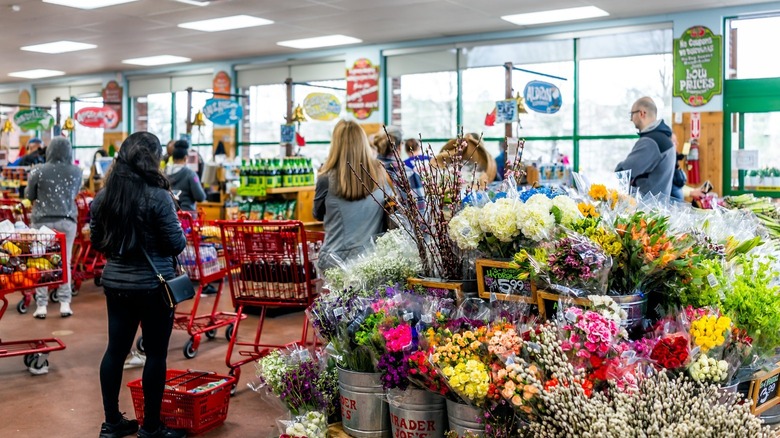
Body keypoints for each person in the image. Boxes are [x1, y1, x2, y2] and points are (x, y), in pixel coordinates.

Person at [91, 132, 187, 438]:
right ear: (154, 159)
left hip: (115, 284)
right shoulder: (158, 196)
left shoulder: (104, 197)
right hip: (153, 287)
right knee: (156, 354)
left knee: (115, 352)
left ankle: (112, 423)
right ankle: (150, 427)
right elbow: (175, 243)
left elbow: (97, 241)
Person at [313, 120, 389, 272]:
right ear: (363, 142)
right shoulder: (380, 172)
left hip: (335, 262)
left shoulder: (326, 178)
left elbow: (317, 214)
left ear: (335, 145)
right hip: (374, 259)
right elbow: (390, 205)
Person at [25, 137, 82, 324]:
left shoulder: (38, 171)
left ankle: (41, 305)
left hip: (42, 222)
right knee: (65, 262)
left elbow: (29, 195)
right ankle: (65, 302)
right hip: (67, 221)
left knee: (41, 262)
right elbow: (73, 193)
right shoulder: (76, 171)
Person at [616, 96, 675, 196]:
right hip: (657, 205)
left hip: (645, 208)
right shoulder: (663, 137)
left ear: (642, 113)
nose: (631, 119)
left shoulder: (651, 141)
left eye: (632, 114)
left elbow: (624, 172)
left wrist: (619, 169)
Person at [165, 146, 206, 212]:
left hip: (169, 214)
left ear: (172, 158)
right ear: (185, 158)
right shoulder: (191, 174)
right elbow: (200, 197)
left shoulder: (164, 173)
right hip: (186, 216)